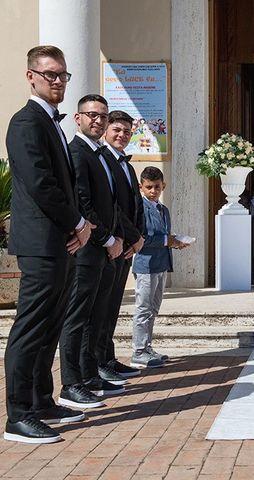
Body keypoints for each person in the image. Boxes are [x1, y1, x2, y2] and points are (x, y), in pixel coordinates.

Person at [4, 45, 95, 443]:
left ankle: (42, 401)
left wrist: (76, 228)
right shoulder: (26, 123)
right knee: (31, 326)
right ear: (31, 76)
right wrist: (77, 222)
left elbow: (65, 183)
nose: (57, 81)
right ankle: (18, 415)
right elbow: (41, 184)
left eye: (62, 75)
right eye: (49, 74)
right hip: (41, 240)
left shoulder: (51, 122)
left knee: (51, 324)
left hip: (60, 240)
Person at [59, 94, 128, 410]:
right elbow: (83, 203)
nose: (98, 121)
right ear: (78, 118)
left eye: (102, 115)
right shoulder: (77, 153)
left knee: (95, 316)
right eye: (92, 115)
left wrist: (117, 237)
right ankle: (71, 383)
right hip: (88, 248)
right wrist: (106, 238)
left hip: (103, 248)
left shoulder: (100, 154)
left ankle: (89, 375)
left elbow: (112, 203)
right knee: (77, 317)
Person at [101, 111, 147, 371]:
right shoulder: (102, 159)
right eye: (117, 130)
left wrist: (138, 238)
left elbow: (136, 205)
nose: (122, 135)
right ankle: (98, 363)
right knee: (101, 309)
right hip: (112, 243)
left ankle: (108, 358)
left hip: (127, 247)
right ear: (107, 130)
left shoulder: (127, 165)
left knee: (113, 307)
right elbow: (113, 206)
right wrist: (132, 236)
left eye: (127, 132)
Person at [131, 167, 187, 367]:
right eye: (149, 187)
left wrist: (175, 242)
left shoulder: (163, 210)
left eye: (157, 187)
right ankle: (138, 350)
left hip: (161, 263)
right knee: (143, 308)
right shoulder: (140, 208)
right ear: (141, 187)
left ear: (163, 186)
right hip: (145, 264)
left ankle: (147, 346)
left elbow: (165, 237)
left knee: (153, 308)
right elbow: (142, 237)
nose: (153, 191)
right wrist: (167, 240)